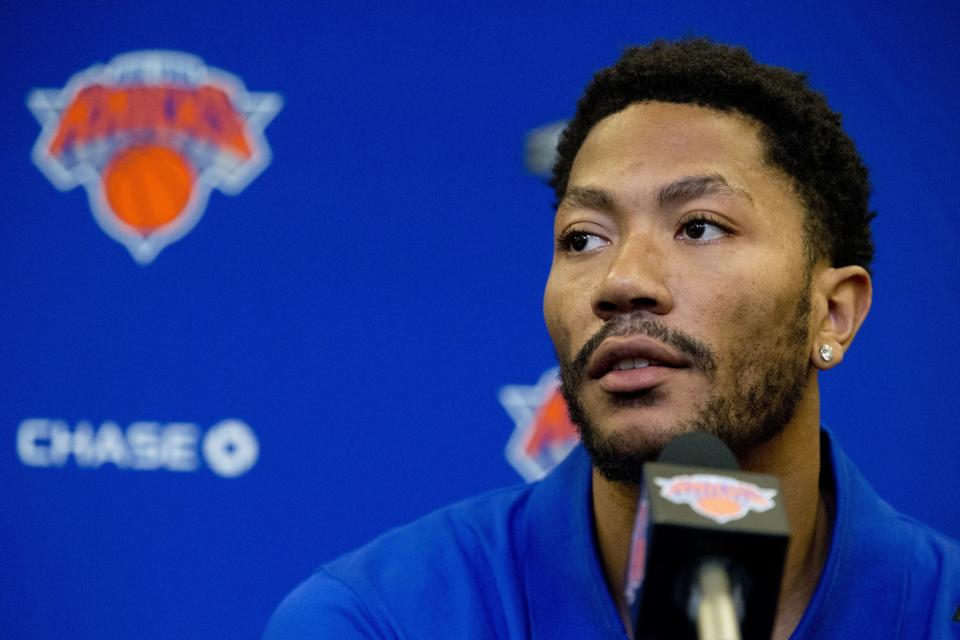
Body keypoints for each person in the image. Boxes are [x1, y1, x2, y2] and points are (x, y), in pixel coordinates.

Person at [264, 38, 960, 639]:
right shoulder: (379, 620)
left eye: (699, 226)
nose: (621, 280)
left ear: (832, 313)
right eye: (583, 239)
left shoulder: (940, 609)